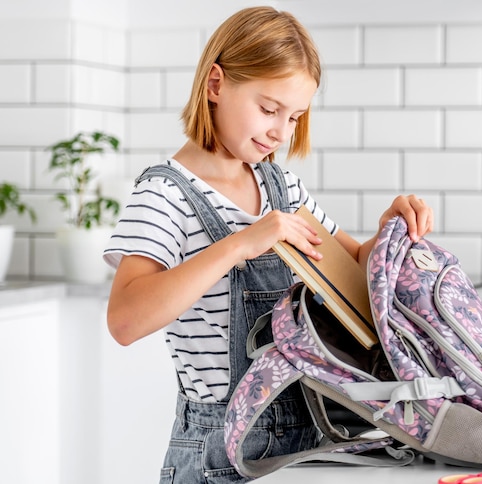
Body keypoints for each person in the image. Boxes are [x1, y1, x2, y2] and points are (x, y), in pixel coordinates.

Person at [103, 6, 433, 483]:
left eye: (295, 116)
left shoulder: (284, 188)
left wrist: (387, 230)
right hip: (220, 453)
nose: (282, 131)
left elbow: (352, 270)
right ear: (215, 85)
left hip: (310, 442)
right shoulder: (165, 194)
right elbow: (125, 320)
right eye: (269, 108)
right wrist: (240, 244)